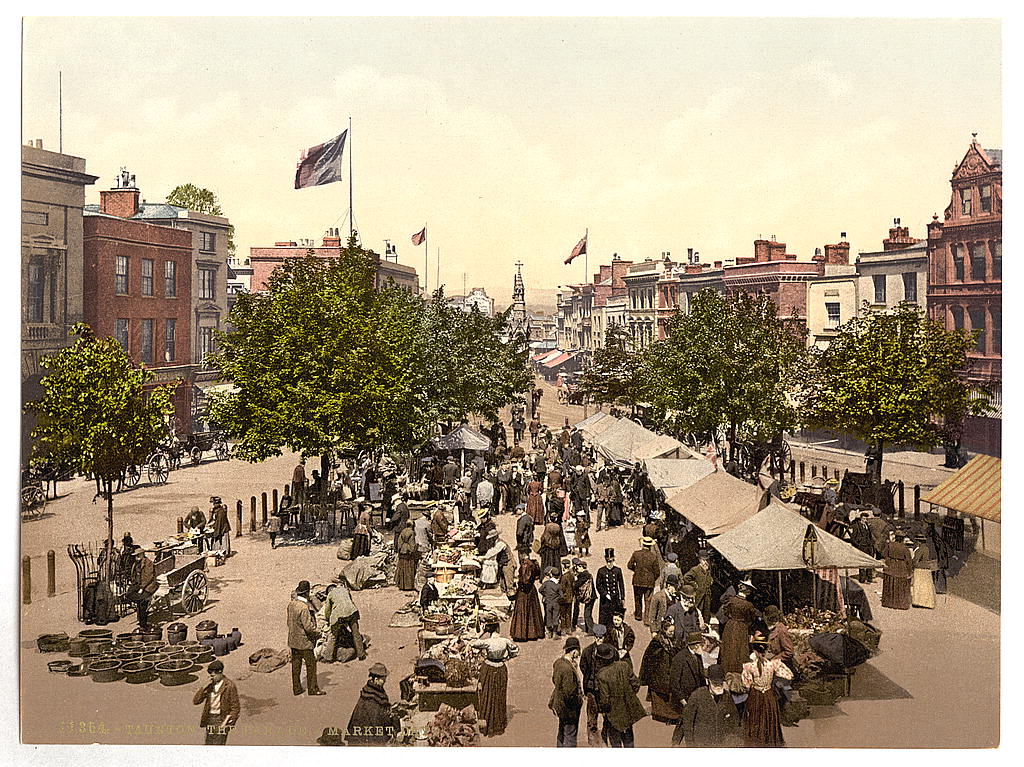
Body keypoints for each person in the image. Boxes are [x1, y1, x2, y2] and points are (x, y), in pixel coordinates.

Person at [741, 631, 793, 747]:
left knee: (755, 719)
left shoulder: (749, 666)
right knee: (769, 718)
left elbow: (746, 684)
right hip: (769, 695)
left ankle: (756, 743)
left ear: (754, 650)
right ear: (766, 650)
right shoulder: (773, 664)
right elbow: (789, 675)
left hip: (755, 695)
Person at [470, 621, 519, 737]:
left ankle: (486, 722)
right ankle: (498, 724)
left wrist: (482, 633)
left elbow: (473, 643)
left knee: (487, 693)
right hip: (501, 668)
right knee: (499, 694)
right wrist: (507, 657)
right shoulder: (505, 641)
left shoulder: (487, 642)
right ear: (498, 629)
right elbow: (515, 651)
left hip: (488, 668)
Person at [675, 664, 740, 747]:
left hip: (720, 742)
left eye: (720, 683)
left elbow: (734, 719)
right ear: (708, 681)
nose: (718, 686)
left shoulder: (726, 696)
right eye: (715, 683)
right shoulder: (697, 695)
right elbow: (687, 721)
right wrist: (690, 744)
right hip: (701, 742)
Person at [595, 643, 647, 747]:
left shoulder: (601, 675)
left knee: (615, 742)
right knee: (629, 739)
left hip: (613, 714)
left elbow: (605, 700)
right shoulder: (624, 665)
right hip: (628, 710)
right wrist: (629, 695)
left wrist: (602, 710)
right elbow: (636, 684)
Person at [639, 617, 683, 724]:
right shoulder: (657, 642)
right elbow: (649, 658)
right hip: (659, 673)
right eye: (670, 631)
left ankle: (670, 716)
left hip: (670, 671)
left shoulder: (673, 640)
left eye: (673, 631)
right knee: (660, 695)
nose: (672, 633)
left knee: (669, 694)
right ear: (664, 630)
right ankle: (661, 715)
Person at [345, 663, 399, 745]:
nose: (385, 681)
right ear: (376, 679)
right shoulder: (370, 699)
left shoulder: (374, 688)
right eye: (383, 679)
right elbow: (376, 718)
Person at [288, 580, 325, 696]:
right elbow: (308, 627)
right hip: (304, 642)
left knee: (296, 665)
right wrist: (319, 633)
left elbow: (289, 622)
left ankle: (297, 688)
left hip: (293, 640)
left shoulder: (291, 604)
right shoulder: (304, 608)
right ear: (307, 593)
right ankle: (313, 689)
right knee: (311, 664)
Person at [192, 659, 239, 746]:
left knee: (219, 745)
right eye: (210, 675)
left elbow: (235, 707)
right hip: (210, 718)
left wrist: (227, 723)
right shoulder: (210, 685)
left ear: (220, 672)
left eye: (213, 675)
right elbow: (196, 701)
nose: (211, 677)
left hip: (222, 719)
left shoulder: (230, 686)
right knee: (208, 744)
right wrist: (203, 687)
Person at [320, 579, 367, 663]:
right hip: (352, 612)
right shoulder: (344, 589)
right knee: (356, 633)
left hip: (339, 615)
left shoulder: (330, 595)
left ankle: (328, 658)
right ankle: (361, 654)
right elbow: (351, 601)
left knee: (333, 636)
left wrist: (328, 620)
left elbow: (327, 610)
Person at [719, 580, 760, 674]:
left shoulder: (731, 600)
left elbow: (725, 611)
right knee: (739, 650)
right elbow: (752, 618)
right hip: (741, 627)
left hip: (729, 626)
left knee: (728, 648)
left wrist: (732, 617)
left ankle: (726, 671)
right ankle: (738, 672)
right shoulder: (748, 605)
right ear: (748, 591)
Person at [549, 636, 584, 747]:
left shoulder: (558, 663)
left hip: (559, 703)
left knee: (562, 731)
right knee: (570, 734)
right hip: (569, 707)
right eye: (578, 651)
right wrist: (578, 701)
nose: (579, 654)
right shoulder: (568, 669)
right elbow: (569, 692)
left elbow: (554, 680)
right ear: (574, 651)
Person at [580, 624, 611, 746]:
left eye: (601, 637)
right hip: (591, 687)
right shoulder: (588, 651)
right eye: (597, 637)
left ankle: (604, 734)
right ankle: (592, 735)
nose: (599, 640)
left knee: (606, 712)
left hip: (604, 688)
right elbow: (583, 666)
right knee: (592, 713)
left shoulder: (609, 650)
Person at [510, 555, 545, 641]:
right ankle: (533, 633)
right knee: (532, 611)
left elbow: (525, 580)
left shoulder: (525, 564)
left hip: (524, 592)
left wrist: (519, 584)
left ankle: (522, 634)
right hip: (532, 590)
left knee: (522, 610)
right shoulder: (533, 563)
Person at [627, 537, 662, 623]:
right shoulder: (653, 556)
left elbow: (629, 565)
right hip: (649, 582)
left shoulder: (636, 554)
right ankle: (646, 619)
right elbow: (657, 572)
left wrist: (636, 570)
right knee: (648, 600)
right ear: (650, 546)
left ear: (643, 544)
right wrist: (653, 578)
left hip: (637, 580)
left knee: (637, 598)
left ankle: (638, 615)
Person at [881, 529, 913, 610]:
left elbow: (884, 554)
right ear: (902, 539)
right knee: (900, 585)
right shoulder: (905, 548)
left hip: (890, 566)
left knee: (890, 583)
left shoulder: (889, 545)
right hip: (901, 568)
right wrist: (910, 571)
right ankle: (899, 604)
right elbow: (908, 560)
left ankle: (888, 603)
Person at [682, 549, 714, 622]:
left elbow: (709, 578)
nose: (705, 562)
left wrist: (711, 580)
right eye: (703, 560)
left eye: (707, 560)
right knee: (698, 609)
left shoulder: (708, 569)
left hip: (707, 594)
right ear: (699, 560)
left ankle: (705, 625)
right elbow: (686, 577)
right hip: (699, 594)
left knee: (706, 610)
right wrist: (694, 584)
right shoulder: (695, 569)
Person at [596, 547, 626, 627]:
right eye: (607, 561)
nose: (609, 564)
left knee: (615, 616)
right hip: (605, 599)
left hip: (615, 598)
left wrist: (622, 597)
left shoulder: (617, 570)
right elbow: (598, 585)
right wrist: (605, 594)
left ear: (614, 559)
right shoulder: (601, 571)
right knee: (604, 617)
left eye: (611, 561)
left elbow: (621, 584)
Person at [133, 546, 158, 629]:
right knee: (132, 596)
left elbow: (149, 577)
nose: (136, 557)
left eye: (137, 555)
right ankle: (141, 621)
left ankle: (143, 624)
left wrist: (142, 588)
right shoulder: (137, 564)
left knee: (142, 601)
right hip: (141, 585)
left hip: (150, 586)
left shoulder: (148, 563)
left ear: (142, 554)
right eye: (135, 556)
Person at [910, 534, 937, 609]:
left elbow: (915, 560)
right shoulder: (927, 549)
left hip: (920, 569)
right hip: (927, 569)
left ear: (919, 542)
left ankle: (918, 602)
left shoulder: (920, 549)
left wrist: (911, 565)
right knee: (926, 586)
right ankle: (927, 603)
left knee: (919, 586)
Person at [849, 510, 876, 583]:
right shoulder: (856, 526)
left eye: (866, 519)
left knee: (869, 562)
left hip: (869, 546)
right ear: (861, 518)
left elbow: (870, 536)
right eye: (864, 519)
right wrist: (858, 545)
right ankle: (862, 579)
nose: (865, 520)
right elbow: (852, 538)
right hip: (862, 546)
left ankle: (869, 578)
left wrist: (872, 544)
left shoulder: (867, 526)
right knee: (862, 563)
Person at [573, 558, 596, 635]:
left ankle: (591, 631)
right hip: (591, 596)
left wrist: (575, 580)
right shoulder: (586, 574)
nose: (577, 568)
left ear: (583, 567)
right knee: (587, 613)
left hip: (589, 597)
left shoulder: (584, 575)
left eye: (579, 567)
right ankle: (588, 629)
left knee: (587, 614)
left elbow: (577, 584)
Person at [395, 520, 419, 591]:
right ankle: (409, 585)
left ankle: (402, 585)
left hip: (402, 551)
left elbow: (399, 542)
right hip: (408, 552)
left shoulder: (403, 531)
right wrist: (414, 550)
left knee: (402, 568)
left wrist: (399, 549)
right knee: (409, 568)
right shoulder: (411, 532)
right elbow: (412, 544)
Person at [540, 567, 563, 639]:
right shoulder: (558, 585)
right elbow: (561, 596)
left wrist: (545, 595)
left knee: (548, 617)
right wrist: (557, 598)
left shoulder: (546, 583)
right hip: (556, 603)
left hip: (548, 603)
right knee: (556, 617)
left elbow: (540, 590)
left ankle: (549, 633)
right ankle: (555, 634)